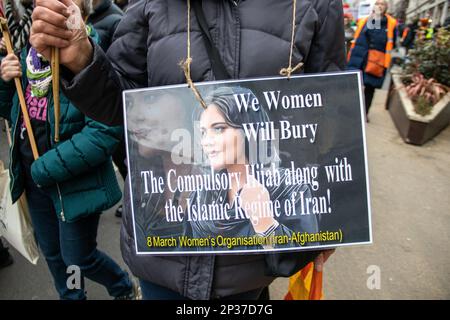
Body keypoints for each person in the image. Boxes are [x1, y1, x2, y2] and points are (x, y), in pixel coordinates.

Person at [30, 0, 341, 300]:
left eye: (220, 129)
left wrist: (328, 217)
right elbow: (122, 105)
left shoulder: (316, 5)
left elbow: (327, 116)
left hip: (249, 267)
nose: (208, 141)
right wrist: (82, 59)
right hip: (162, 249)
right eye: (206, 130)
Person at [0, 0, 137, 300]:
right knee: (54, 255)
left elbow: (105, 132)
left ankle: (121, 286)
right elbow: (11, 111)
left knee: (79, 257)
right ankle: (73, 297)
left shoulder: (91, 58)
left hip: (74, 185)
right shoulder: (27, 56)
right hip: (35, 184)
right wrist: (6, 82)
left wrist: (46, 168)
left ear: (81, 12)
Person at [186, 86, 319, 251]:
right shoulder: (199, 196)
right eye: (203, 132)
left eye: (219, 128)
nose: (206, 141)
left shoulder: (289, 187)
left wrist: (265, 223)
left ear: (249, 129)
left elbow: (307, 250)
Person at [87, 0, 126, 218]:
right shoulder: (91, 18)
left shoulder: (116, 18)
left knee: (128, 161)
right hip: (105, 105)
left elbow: (121, 66)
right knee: (120, 159)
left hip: (118, 104)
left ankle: (136, 201)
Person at [347, 0, 397, 119]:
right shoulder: (365, 20)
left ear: (386, 7)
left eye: (382, 4)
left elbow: (392, 43)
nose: (379, 6)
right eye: (377, 3)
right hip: (359, 57)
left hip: (376, 60)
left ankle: (364, 113)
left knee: (370, 88)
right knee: (353, 85)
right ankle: (351, 109)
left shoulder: (390, 23)